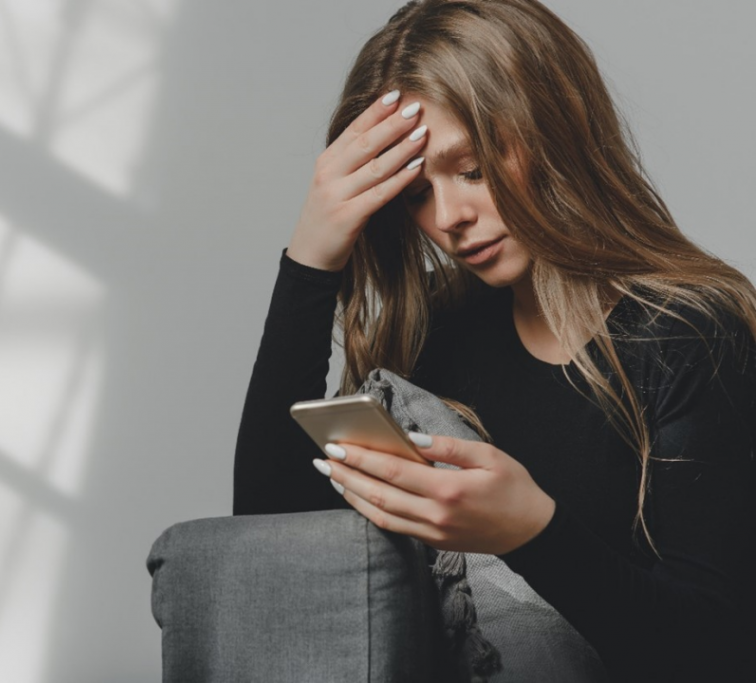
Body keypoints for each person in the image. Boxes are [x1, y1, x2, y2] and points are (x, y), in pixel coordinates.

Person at [231, 0, 756, 681]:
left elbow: (714, 649)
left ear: (554, 130)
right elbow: (265, 551)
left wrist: (532, 530)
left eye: (473, 169)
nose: (449, 219)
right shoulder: (437, 330)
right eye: (417, 192)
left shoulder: (691, 334)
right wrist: (310, 260)